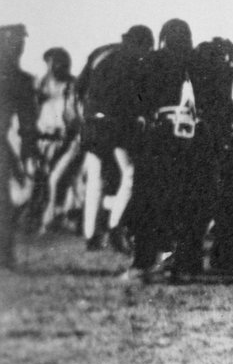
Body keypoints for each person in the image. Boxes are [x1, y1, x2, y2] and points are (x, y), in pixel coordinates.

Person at [130, 19, 217, 280]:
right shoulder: (202, 63)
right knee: (190, 203)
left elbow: (139, 99)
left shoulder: (153, 61)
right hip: (196, 139)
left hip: (161, 138)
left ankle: (145, 261)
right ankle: (187, 263)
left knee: (149, 199)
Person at [78, 24, 153, 252]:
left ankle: (91, 234)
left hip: (91, 120)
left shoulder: (101, 52)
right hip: (116, 124)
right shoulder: (136, 58)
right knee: (129, 174)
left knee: (95, 179)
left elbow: (80, 86)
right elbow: (136, 96)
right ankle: (115, 226)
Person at [0, 24, 38, 268]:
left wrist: (27, 156)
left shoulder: (22, 80)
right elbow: (27, 126)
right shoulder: (21, 80)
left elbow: (27, 125)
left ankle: (4, 254)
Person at [35, 47, 82, 232]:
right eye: (52, 63)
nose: (55, 67)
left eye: (59, 62)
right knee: (46, 178)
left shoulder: (72, 85)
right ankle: (53, 216)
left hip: (68, 140)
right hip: (45, 139)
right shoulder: (41, 85)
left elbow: (75, 117)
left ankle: (49, 220)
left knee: (56, 178)